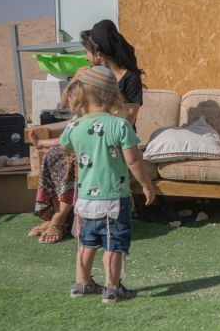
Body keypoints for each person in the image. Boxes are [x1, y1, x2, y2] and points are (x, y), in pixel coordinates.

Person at [31, 19, 145, 243]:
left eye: (86, 51)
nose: (85, 57)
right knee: (54, 156)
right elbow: (62, 105)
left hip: (112, 140)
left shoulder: (130, 78)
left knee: (73, 159)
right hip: (86, 136)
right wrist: (75, 80)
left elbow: (129, 118)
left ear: (98, 51)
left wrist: (103, 102)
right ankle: (56, 216)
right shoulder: (89, 74)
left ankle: (59, 218)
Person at [58, 65, 155, 304]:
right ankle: (112, 288)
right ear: (113, 95)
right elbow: (133, 161)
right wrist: (147, 185)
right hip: (114, 197)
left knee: (86, 242)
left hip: (84, 200)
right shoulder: (120, 125)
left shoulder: (74, 126)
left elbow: (64, 146)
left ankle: (81, 284)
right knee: (113, 244)